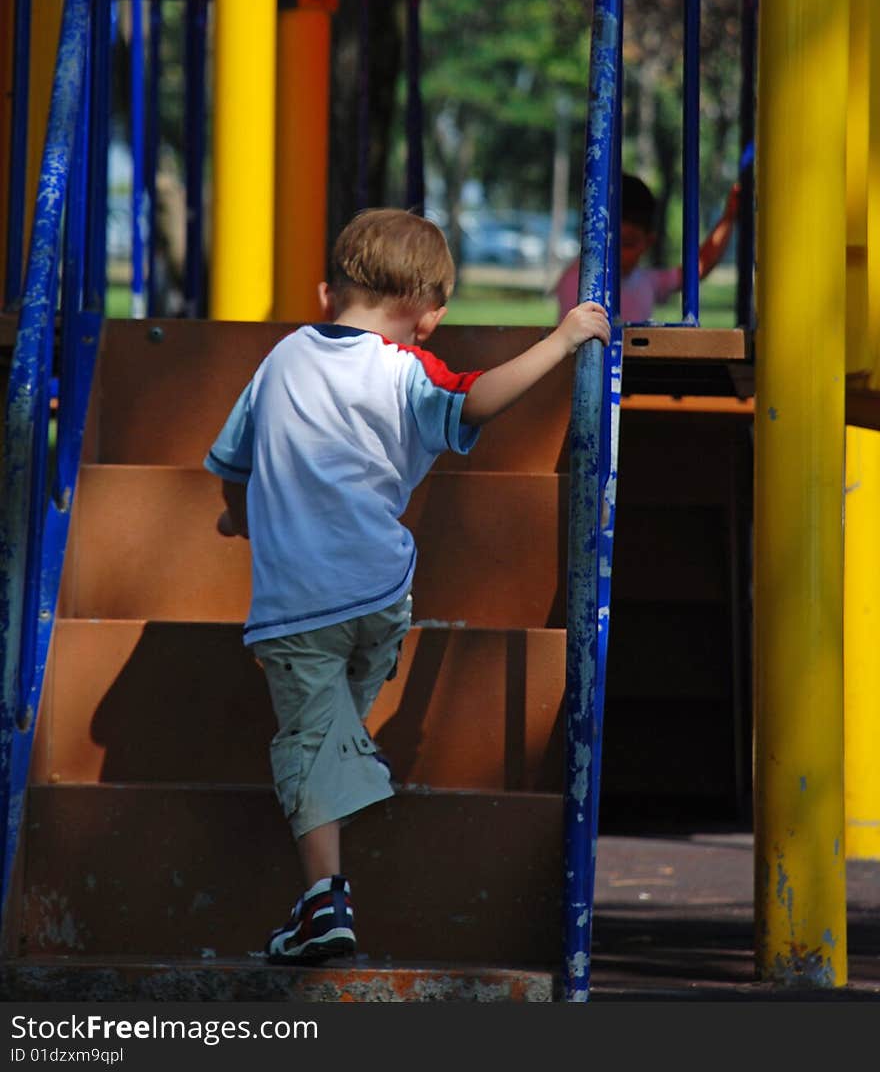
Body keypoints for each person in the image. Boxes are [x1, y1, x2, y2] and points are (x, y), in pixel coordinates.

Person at [204, 206, 610, 966]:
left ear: (332, 292)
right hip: (384, 596)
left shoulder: (282, 358)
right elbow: (475, 400)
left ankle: (324, 904)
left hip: (299, 606)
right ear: (428, 315)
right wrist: (562, 338)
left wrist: (244, 519)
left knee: (308, 742)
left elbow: (235, 466)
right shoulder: (405, 370)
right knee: (331, 725)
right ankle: (344, 780)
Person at [554, 173, 741, 323]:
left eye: (628, 243)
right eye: (607, 244)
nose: (615, 254)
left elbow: (696, 270)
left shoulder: (645, 281)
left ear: (647, 243)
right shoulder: (578, 283)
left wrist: (728, 217)